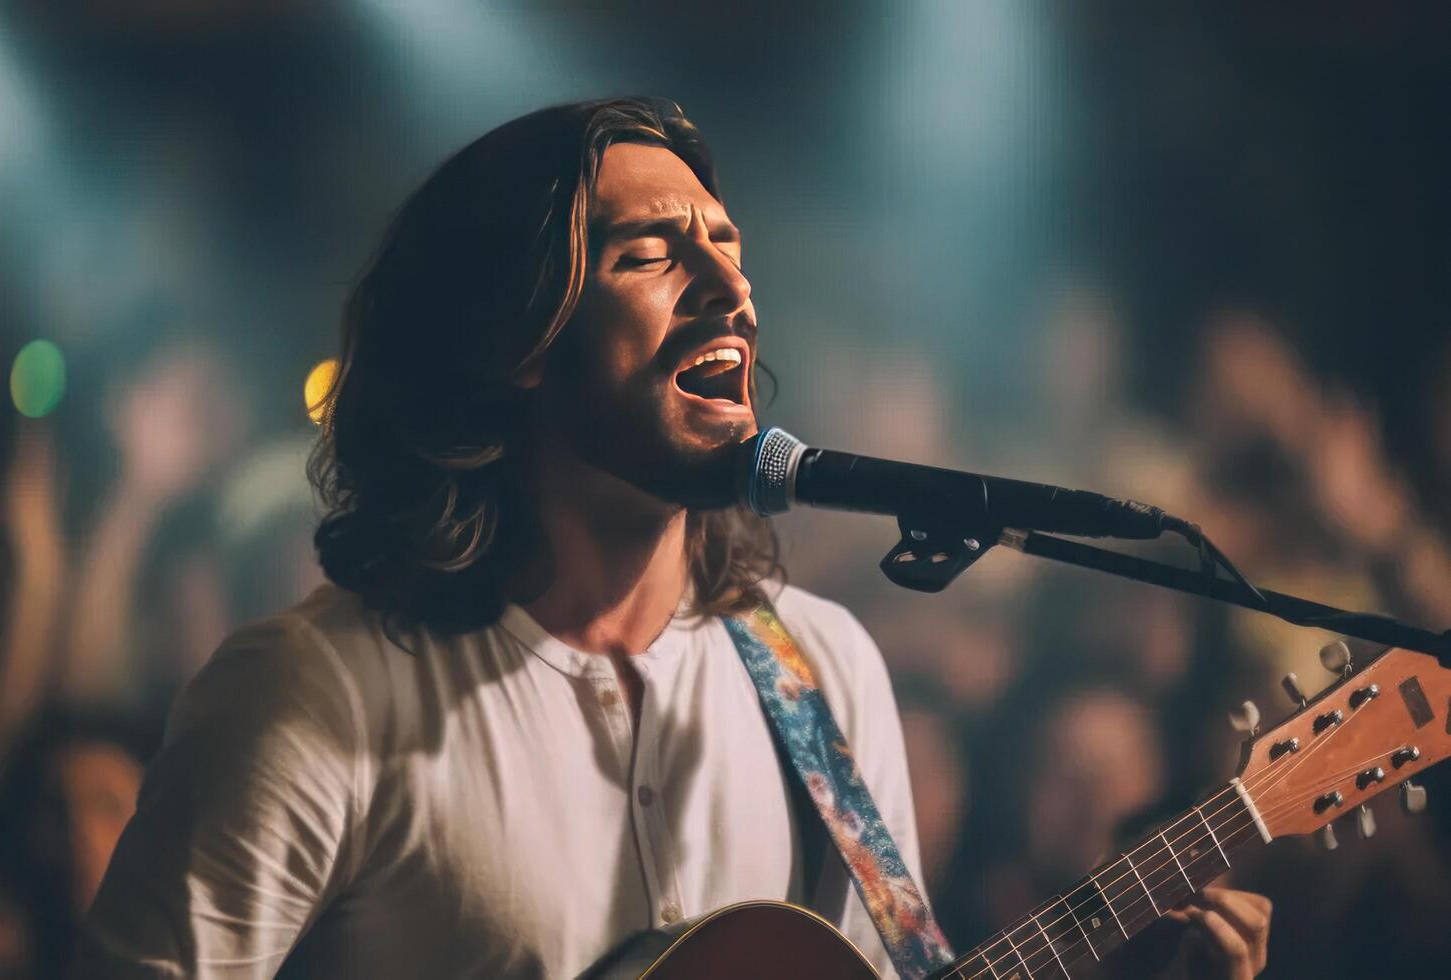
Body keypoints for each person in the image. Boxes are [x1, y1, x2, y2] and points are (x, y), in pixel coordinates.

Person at [75, 97, 1271, 978]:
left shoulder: (822, 668)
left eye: (727, 244)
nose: (726, 286)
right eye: (648, 252)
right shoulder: (319, 690)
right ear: (514, 339)